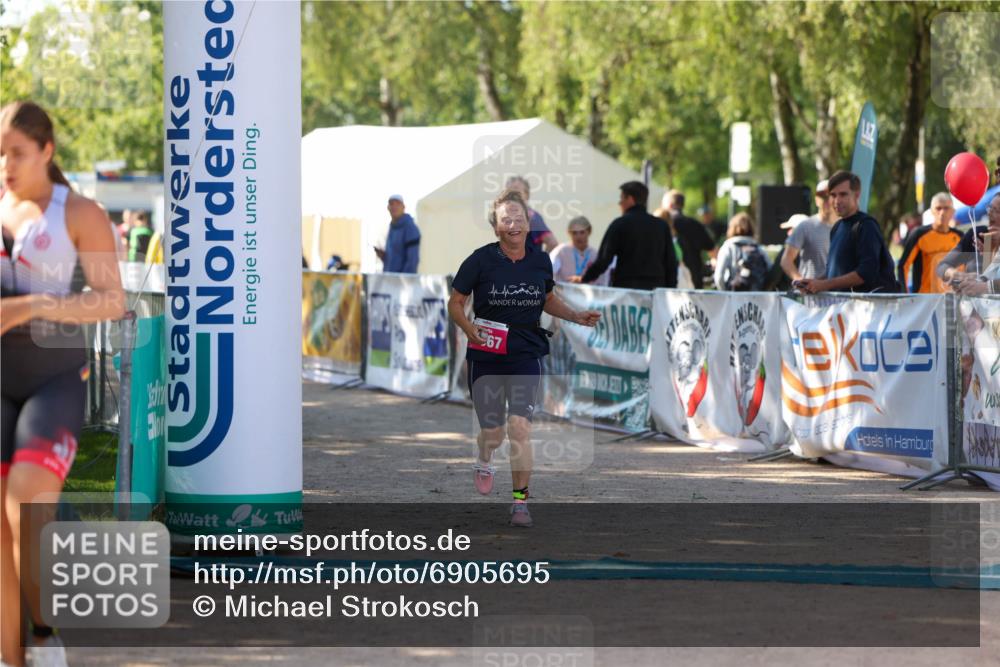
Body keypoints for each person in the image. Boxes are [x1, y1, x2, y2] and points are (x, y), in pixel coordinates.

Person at [1, 101, 125, 667]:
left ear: (46, 152)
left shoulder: (79, 212)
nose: (5, 164)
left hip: (55, 378)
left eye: (16, 153)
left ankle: (45, 636)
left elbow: (113, 301)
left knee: (27, 503)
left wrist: (30, 305)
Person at [448, 189, 600, 527]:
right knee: (494, 433)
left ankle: (520, 503)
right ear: (496, 227)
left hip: (525, 354)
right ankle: (484, 455)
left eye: (519, 219)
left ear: (528, 223)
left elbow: (547, 298)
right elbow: (455, 302)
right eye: (506, 220)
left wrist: (575, 316)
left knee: (519, 428)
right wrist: (467, 327)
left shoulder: (539, 260)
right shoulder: (479, 260)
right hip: (486, 356)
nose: (514, 225)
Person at [795, 170, 899, 294]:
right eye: (833, 195)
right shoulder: (837, 227)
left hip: (868, 309)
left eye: (843, 194)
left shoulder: (866, 225)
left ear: (857, 195)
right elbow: (833, 273)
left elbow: (865, 273)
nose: (837, 201)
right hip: (842, 310)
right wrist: (812, 283)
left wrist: (823, 284)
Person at [579, 181, 678, 290]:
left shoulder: (619, 224)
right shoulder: (661, 226)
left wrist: (584, 279)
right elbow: (671, 263)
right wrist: (669, 290)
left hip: (627, 291)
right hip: (656, 291)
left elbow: (604, 260)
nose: (619, 203)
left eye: (621, 199)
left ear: (630, 199)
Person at [897, 192, 962, 293]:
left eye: (946, 208)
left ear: (953, 211)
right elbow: (903, 265)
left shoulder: (960, 237)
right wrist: (905, 295)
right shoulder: (919, 235)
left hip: (951, 298)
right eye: (938, 208)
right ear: (931, 211)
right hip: (924, 299)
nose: (942, 212)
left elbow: (966, 267)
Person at [943, 194, 1000, 294]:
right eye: (990, 208)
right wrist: (968, 284)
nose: (990, 213)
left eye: (996, 211)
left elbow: (987, 286)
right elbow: (990, 275)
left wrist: (985, 287)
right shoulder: (985, 238)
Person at [780, 180, 835, 282]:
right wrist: (800, 280)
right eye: (823, 196)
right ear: (816, 199)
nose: (828, 200)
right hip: (810, 295)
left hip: (837, 293)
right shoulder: (806, 226)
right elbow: (786, 259)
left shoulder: (844, 227)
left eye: (832, 195)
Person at [663, 190, 714, 288]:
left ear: (669, 205)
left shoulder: (661, 223)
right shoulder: (694, 224)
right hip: (694, 278)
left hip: (668, 281)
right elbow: (712, 249)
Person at [714, 213, 770, 291]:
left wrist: (725, 293)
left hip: (735, 295)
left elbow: (719, 276)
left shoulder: (728, 247)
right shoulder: (758, 248)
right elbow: (770, 271)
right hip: (757, 296)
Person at [550, 216, 611, 286]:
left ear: (589, 232)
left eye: (582, 232)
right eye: (574, 233)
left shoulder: (596, 254)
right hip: (563, 295)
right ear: (569, 233)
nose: (578, 236)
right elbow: (549, 272)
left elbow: (603, 281)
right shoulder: (561, 251)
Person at [504, 176, 557, 252]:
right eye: (508, 191)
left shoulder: (532, 217)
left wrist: (540, 262)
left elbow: (552, 243)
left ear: (526, 194)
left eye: (516, 189)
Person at [374, 194, 420, 273]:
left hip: (401, 283)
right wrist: (384, 256)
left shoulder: (410, 227)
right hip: (390, 280)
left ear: (403, 207)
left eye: (397, 204)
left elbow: (412, 261)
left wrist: (402, 282)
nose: (394, 207)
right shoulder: (392, 227)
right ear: (388, 208)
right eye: (391, 204)